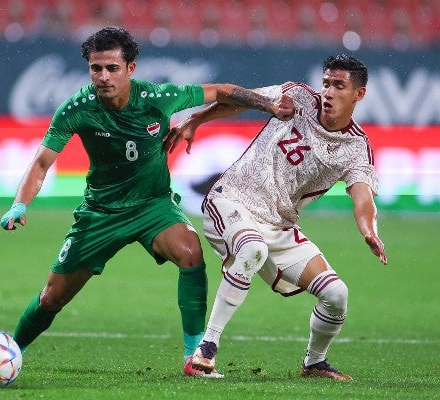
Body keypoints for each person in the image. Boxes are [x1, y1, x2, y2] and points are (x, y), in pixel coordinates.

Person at [0, 27, 283, 378]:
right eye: (96, 68)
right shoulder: (76, 108)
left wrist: (267, 105)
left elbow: (222, 91)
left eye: (112, 68)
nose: (103, 77)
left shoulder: (159, 97)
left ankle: (194, 357)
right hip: (100, 212)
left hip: (152, 206)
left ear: (130, 68)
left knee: (190, 253)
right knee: (52, 298)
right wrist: (20, 204)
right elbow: (42, 163)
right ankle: (9, 352)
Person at [163, 54, 388, 380]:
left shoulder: (356, 147)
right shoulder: (296, 97)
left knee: (337, 294)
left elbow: (363, 195)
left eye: (339, 86)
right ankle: (205, 350)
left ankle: (314, 363)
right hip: (232, 200)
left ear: (358, 94)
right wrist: (196, 119)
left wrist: (369, 229)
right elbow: (238, 99)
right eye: (326, 83)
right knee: (253, 249)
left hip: (279, 225)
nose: (328, 92)